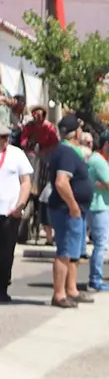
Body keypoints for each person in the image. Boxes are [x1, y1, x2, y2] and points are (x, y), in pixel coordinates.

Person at [45, 115, 94, 308]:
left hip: (74, 210)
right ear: (76, 132)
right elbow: (61, 182)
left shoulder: (69, 151)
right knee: (64, 252)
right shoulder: (66, 153)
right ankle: (59, 294)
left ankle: (71, 289)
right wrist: (73, 206)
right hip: (66, 209)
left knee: (73, 253)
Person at [83, 131, 109, 292]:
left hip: (97, 204)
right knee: (101, 245)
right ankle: (95, 279)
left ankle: (95, 278)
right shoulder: (99, 161)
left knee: (99, 244)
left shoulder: (99, 160)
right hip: (99, 206)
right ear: (106, 144)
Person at [0, 122, 33, 303]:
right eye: (1, 138)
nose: (4, 141)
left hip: (9, 212)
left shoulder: (16, 154)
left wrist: (20, 205)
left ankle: (2, 287)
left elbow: (26, 181)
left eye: (6, 137)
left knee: (5, 252)